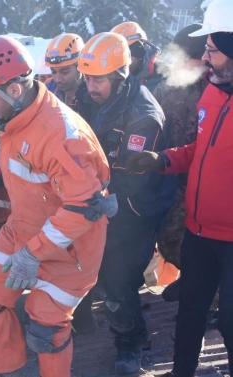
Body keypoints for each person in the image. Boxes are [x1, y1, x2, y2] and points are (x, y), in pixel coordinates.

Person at [0, 35, 112, 377]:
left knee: (47, 328)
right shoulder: (18, 118)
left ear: (14, 90)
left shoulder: (61, 134)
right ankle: (5, 370)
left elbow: (83, 208)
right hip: (24, 229)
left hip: (72, 249)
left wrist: (35, 254)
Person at [125, 1, 233, 375]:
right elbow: (199, 148)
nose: (205, 56)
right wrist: (164, 160)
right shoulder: (214, 92)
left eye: (213, 50)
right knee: (190, 314)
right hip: (199, 230)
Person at [73, 32, 174, 374]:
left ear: (119, 75)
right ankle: (83, 321)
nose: (90, 86)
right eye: (86, 77)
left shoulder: (143, 115)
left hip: (134, 210)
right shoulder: (88, 99)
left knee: (118, 283)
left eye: (98, 79)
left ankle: (129, 343)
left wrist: (83, 189)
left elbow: (131, 179)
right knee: (83, 269)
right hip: (98, 198)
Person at [152, 23, 208, 300]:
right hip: (174, 178)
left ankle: (212, 294)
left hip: (212, 183)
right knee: (170, 239)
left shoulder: (223, 87)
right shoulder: (169, 88)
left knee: (210, 244)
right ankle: (192, 279)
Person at [111, 21, 164, 92]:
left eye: (124, 51)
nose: (119, 57)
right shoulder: (111, 74)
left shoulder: (164, 76)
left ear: (140, 50)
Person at [44, 33, 86, 108]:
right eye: (53, 72)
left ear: (80, 67)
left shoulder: (94, 93)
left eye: (64, 72)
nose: (57, 79)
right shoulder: (47, 89)